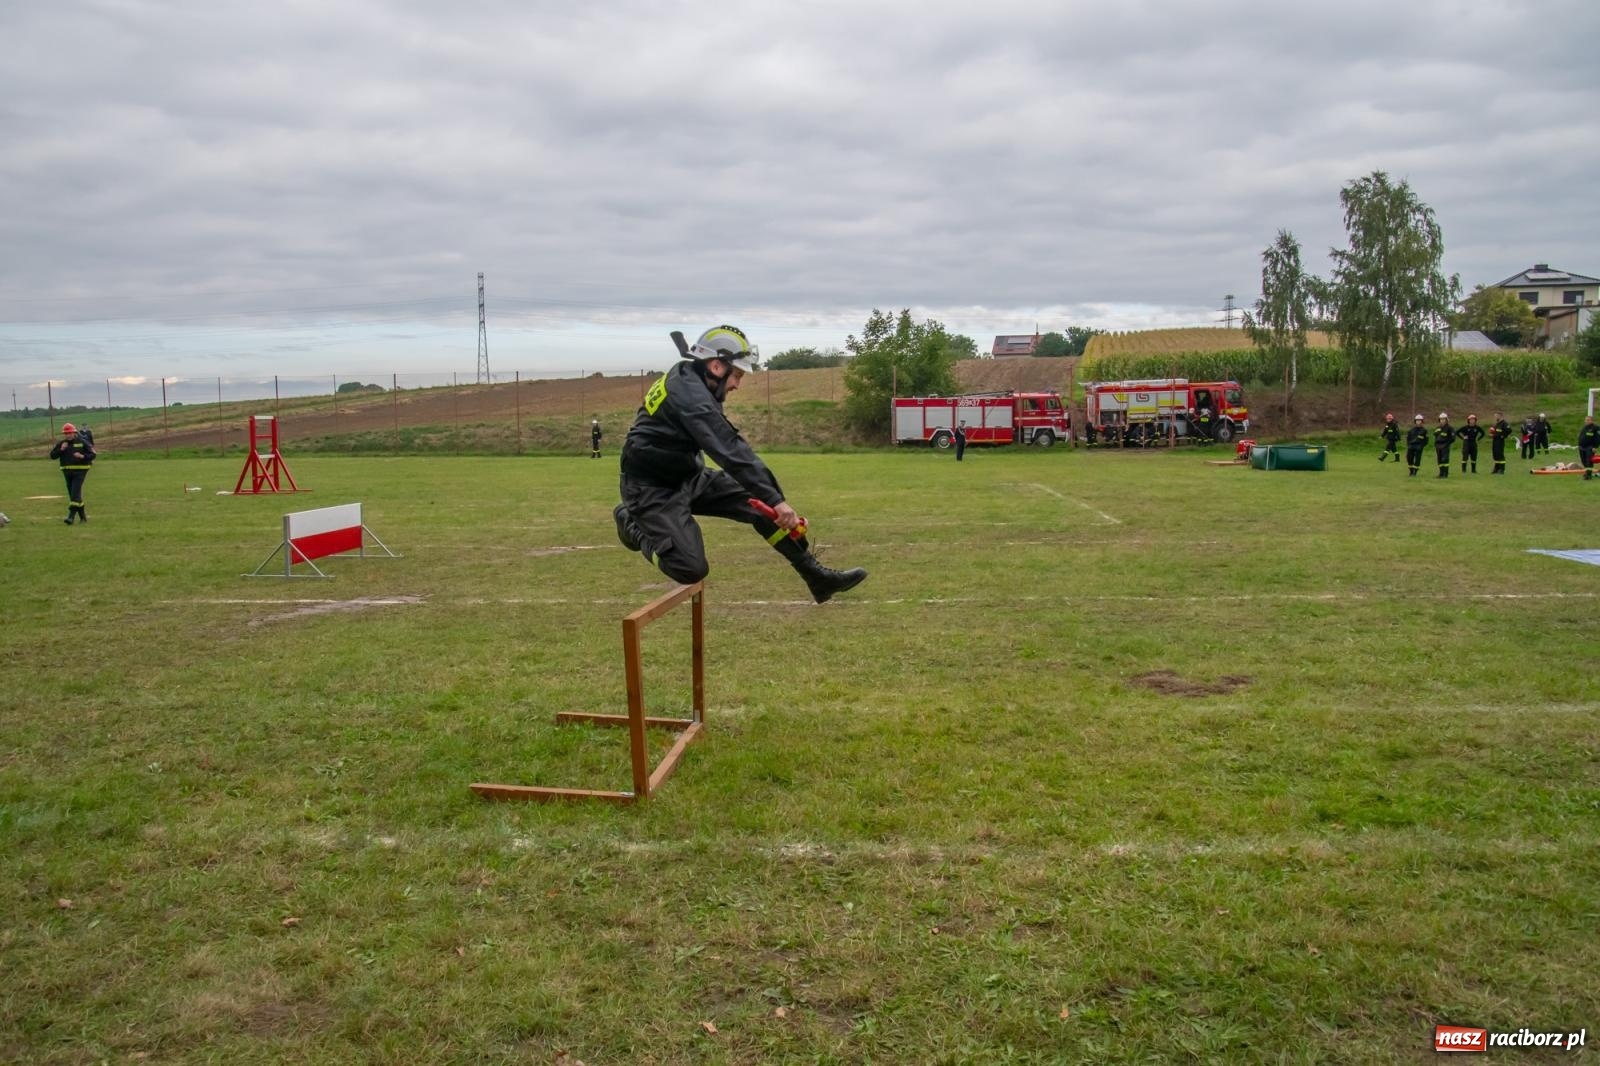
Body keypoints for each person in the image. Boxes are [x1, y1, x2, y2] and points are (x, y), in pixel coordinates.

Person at [612, 325, 867, 603]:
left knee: (762, 507)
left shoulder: (695, 379)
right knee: (690, 569)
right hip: (651, 489)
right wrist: (779, 500)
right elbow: (729, 449)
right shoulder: (691, 397)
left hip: (688, 476)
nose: (737, 385)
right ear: (717, 366)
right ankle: (629, 522)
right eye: (737, 375)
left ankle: (816, 577)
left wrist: (772, 501)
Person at [49, 422, 96, 524]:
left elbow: (93, 454)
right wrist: (61, 450)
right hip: (67, 472)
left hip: (80, 471)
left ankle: (70, 517)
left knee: (75, 494)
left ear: (74, 433)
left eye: (70, 433)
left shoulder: (83, 442)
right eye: (66, 433)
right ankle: (83, 518)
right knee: (74, 496)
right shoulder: (62, 444)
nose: (68, 435)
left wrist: (82, 457)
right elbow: (52, 456)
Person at [1433, 412, 1455, 479]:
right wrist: (1436, 444)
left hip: (1445, 446)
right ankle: (1441, 473)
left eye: (1444, 419)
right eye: (1441, 419)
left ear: (1446, 420)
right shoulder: (1437, 428)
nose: (1442, 421)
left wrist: (1447, 444)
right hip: (1438, 446)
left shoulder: (1450, 428)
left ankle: (1445, 474)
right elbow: (1435, 436)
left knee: (1444, 460)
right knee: (1439, 460)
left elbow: (1453, 438)